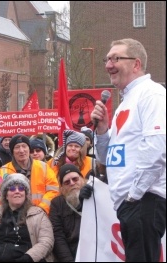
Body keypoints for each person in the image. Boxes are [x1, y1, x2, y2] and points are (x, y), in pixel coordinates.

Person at [90, 38, 166, 262]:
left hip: (143, 201)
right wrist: (103, 130)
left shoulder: (151, 94)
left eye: (116, 58)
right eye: (107, 59)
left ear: (136, 64)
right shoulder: (125, 103)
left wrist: (134, 195)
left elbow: (157, 147)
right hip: (131, 204)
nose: (108, 65)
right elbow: (107, 157)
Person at [0, 173, 54, 262]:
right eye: (12, 188)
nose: (17, 191)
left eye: (21, 188)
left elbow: (46, 241)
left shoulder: (39, 214)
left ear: (26, 194)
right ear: (6, 195)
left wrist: (28, 258)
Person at [0, 134, 59, 215]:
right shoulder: (2, 171)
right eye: (17, 147)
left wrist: (42, 208)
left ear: (29, 149)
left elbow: (53, 190)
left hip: (41, 215)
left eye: (24, 146)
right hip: (14, 218)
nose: (21, 150)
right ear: (12, 152)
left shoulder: (44, 167)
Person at [49, 164, 93, 262]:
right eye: (67, 182)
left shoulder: (94, 194)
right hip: (72, 254)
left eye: (75, 179)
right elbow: (58, 237)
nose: (72, 183)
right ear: (62, 188)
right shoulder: (57, 204)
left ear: (82, 179)